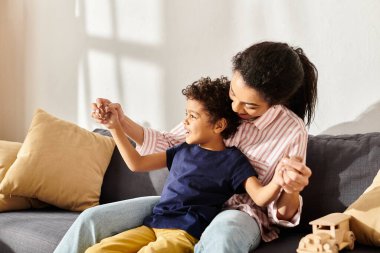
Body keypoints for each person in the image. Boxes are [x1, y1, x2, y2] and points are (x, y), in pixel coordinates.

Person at [54, 41, 317, 253]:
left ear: (277, 102)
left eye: (250, 106)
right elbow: (170, 144)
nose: (236, 109)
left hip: (239, 211)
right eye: (234, 97)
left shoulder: (290, 132)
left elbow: (273, 207)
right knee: (92, 219)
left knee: (222, 238)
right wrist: (119, 123)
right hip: (183, 203)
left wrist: (290, 188)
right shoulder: (217, 105)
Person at [85, 77, 285, 253]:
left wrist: (278, 179)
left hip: (185, 233)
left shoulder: (233, 160)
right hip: (153, 226)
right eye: (186, 114)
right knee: (98, 250)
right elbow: (136, 163)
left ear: (219, 125)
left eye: (193, 116)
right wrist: (114, 127)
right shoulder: (182, 150)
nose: (185, 122)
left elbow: (259, 197)